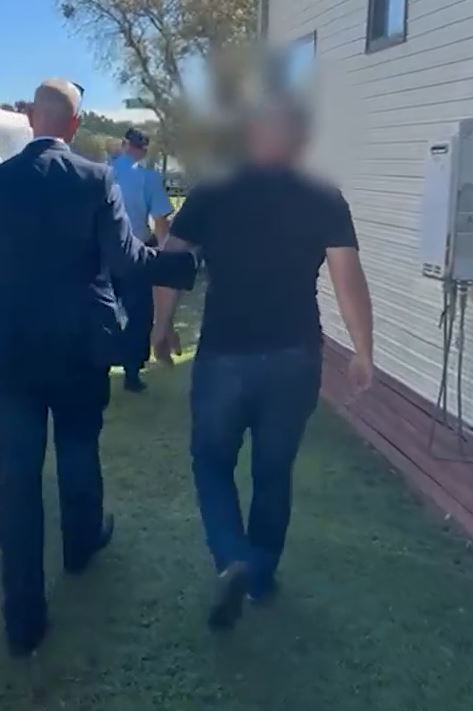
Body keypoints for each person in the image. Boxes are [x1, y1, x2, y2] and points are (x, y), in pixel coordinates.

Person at [0, 78, 198, 657]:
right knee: (80, 450)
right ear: (74, 125)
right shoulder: (94, 179)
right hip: (80, 346)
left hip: (11, 350)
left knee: (17, 478)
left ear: (34, 118)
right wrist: (186, 266)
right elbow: (125, 259)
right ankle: (82, 546)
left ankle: (24, 621)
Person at [152, 96, 375, 629]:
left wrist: (160, 327)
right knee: (273, 472)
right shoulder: (324, 196)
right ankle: (261, 577)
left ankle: (233, 556)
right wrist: (364, 348)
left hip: (226, 355)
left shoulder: (214, 190)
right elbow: (348, 276)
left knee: (211, 462)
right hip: (295, 356)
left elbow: (173, 259)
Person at [108, 128, 175, 392]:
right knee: (139, 314)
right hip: (135, 251)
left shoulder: (102, 172)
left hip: (102, 254)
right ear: (144, 150)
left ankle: (100, 362)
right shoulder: (148, 178)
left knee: (103, 309)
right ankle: (132, 372)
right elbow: (161, 221)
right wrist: (163, 256)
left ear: (124, 145)